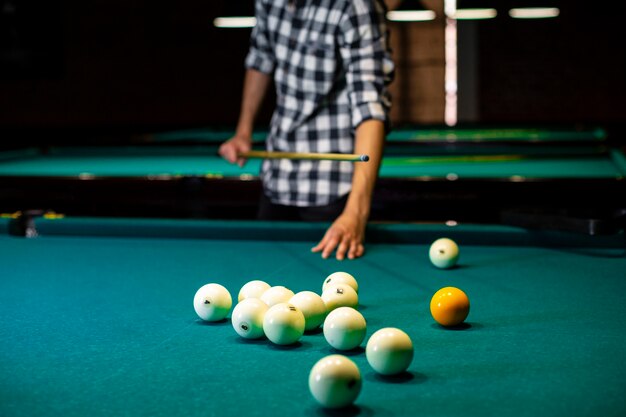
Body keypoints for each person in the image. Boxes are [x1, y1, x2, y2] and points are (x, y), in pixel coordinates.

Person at [219, 0, 394, 260]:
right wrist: (243, 131)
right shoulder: (268, 2)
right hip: (276, 177)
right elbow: (261, 58)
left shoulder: (355, 6)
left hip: (331, 188)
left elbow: (369, 106)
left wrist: (355, 212)